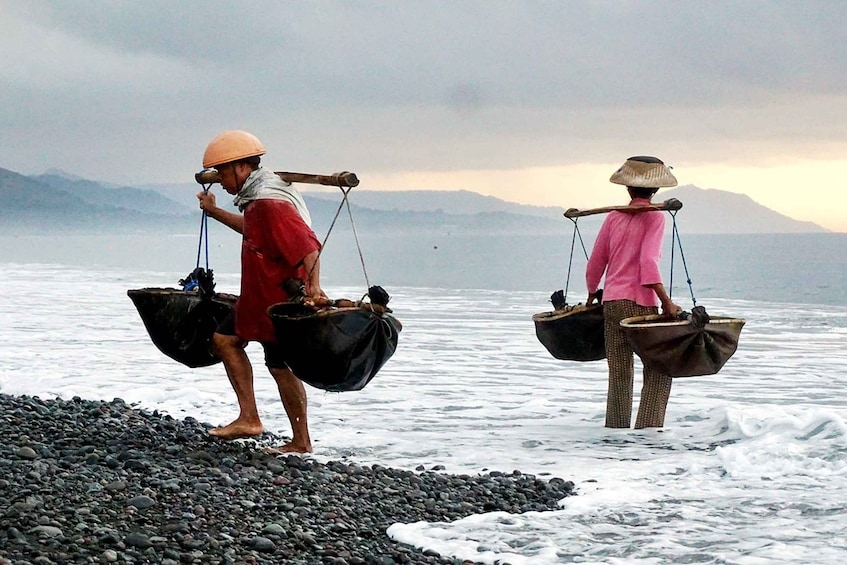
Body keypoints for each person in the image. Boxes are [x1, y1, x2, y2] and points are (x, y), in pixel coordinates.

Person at [196, 130, 325, 453]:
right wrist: (214, 212)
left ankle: (295, 438)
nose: (222, 182)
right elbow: (252, 229)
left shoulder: (269, 202)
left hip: (278, 299)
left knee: (279, 366)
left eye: (223, 173)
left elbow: (308, 246)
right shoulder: (257, 199)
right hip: (257, 295)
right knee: (227, 341)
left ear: (241, 168)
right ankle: (254, 419)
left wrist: (315, 288)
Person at [585, 156, 683, 429]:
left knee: (619, 372)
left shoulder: (614, 217)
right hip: (639, 303)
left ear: (629, 189)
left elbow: (595, 263)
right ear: (656, 191)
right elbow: (648, 264)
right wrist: (667, 302)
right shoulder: (654, 217)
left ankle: (616, 434)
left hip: (612, 302)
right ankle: (647, 435)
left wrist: (593, 292)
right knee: (659, 368)